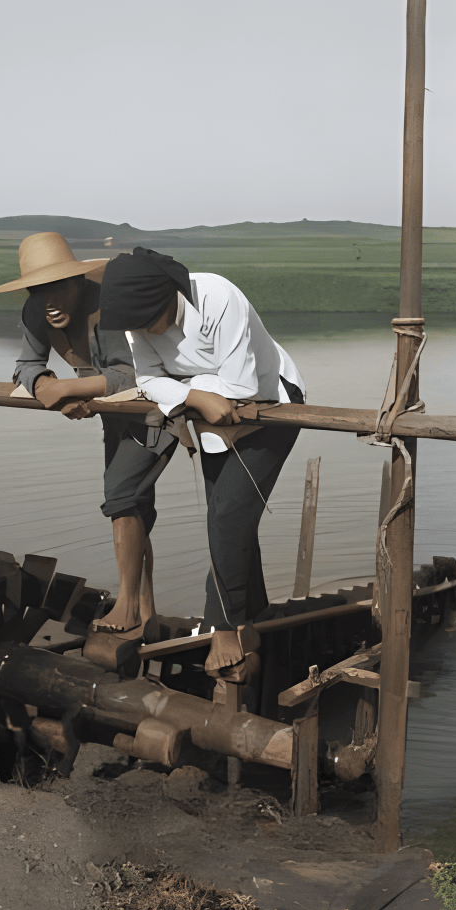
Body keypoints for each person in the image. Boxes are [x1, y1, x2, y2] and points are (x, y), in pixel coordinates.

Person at [98, 247, 306, 680]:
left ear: (169, 294)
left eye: (148, 318)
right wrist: (193, 397)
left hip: (270, 409)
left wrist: (181, 389)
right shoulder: (137, 324)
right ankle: (251, 621)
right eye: (134, 322)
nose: (142, 329)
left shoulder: (218, 299)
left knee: (229, 515)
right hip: (208, 419)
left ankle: (225, 626)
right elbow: (149, 380)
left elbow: (241, 386)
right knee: (229, 519)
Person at [0, 232, 178, 639]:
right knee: (135, 504)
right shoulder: (35, 311)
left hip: (161, 405)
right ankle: (146, 611)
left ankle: (127, 603)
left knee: (120, 494)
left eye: (57, 287)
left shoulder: (107, 308)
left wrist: (71, 389)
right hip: (113, 412)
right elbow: (26, 363)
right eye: (38, 291)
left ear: (77, 281)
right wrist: (46, 386)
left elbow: (135, 375)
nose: (49, 301)